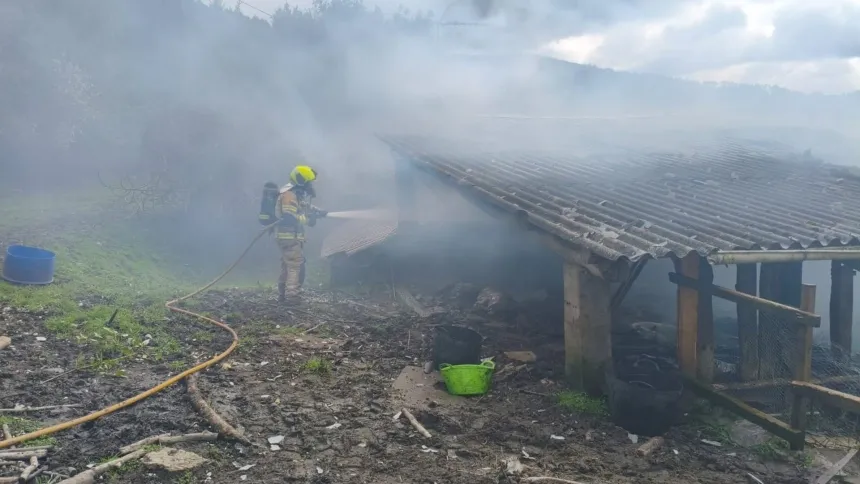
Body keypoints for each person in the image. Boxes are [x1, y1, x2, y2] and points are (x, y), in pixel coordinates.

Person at [275, 165, 327, 303]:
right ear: (301, 181)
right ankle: (292, 297)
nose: (310, 185)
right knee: (295, 265)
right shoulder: (289, 194)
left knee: (288, 265)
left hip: (290, 237)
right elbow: (289, 216)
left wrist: (319, 212)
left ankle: (282, 295)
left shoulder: (294, 194)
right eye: (309, 182)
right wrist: (309, 219)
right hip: (289, 237)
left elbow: (304, 206)